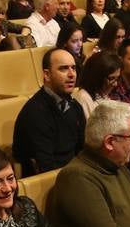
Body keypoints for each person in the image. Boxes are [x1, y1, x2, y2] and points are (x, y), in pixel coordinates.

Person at [12, 48, 85, 176]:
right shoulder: (35, 113)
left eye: (73, 68)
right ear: (47, 75)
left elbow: (82, 150)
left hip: (75, 174)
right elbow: (45, 166)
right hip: (50, 183)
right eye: (63, 68)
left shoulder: (75, 107)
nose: (72, 74)